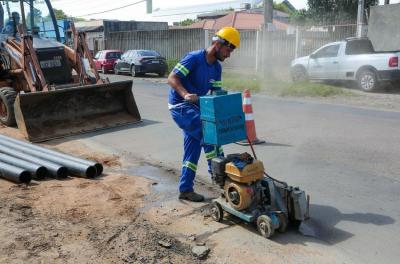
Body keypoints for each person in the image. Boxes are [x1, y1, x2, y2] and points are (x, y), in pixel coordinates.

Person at [167, 27, 240, 202]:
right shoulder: (194, 58)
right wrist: (185, 94)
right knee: (210, 136)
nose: (229, 55)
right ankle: (222, 183)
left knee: (192, 149)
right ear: (218, 44)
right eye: (228, 50)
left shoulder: (216, 68)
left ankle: (185, 189)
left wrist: (226, 103)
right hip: (180, 106)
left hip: (196, 109)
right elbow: (172, 78)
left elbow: (215, 93)